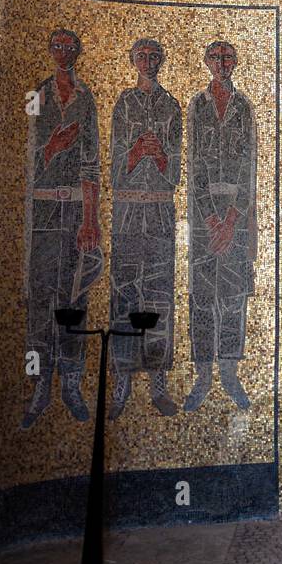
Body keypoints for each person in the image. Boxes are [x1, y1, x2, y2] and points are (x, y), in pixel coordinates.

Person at [21, 29, 101, 429]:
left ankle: (70, 382)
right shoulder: (36, 95)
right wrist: (52, 146)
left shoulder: (86, 99)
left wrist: (91, 218)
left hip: (75, 211)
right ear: (50, 51)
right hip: (43, 211)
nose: (64, 52)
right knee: (40, 298)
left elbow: (92, 162)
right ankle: (39, 385)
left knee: (73, 297)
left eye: (71, 47)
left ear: (78, 52)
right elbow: (25, 154)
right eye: (58, 46)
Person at [108, 37, 181, 420]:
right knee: (124, 294)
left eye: (155, 56)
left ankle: (157, 383)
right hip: (126, 213)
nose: (149, 61)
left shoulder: (171, 106)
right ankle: (121, 382)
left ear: (162, 61)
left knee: (157, 295)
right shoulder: (123, 103)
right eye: (142, 56)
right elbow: (113, 167)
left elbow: (176, 174)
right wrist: (136, 153)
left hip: (159, 214)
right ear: (133, 60)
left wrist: (161, 155)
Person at [183, 40, 256, 412]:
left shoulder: (243, 107)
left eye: (227, 57)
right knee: (202, 297)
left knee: (232, 299)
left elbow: (249, 167)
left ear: (235, 62)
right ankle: (203, 374)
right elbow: (194, 163)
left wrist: (231, 220)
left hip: (237, 219)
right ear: (207, 61)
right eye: (215, 57)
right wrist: (211, 217)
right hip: (203, 218)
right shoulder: (197, 105)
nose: (222, 63)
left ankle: (229, 372)